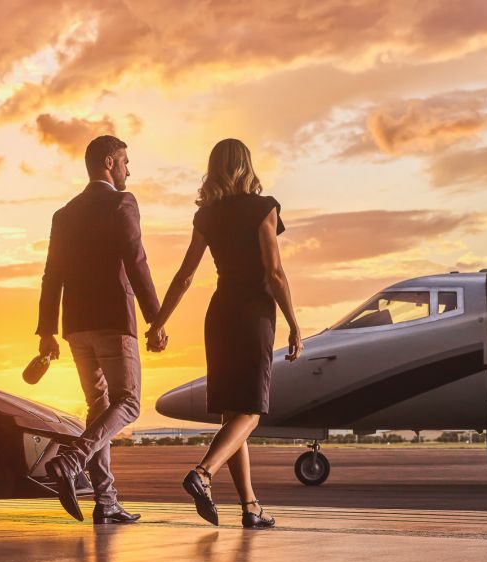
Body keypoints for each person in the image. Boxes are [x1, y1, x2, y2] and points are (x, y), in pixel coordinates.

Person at [146, 138, 302, 529]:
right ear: (246, 166)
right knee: (251, 412)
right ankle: (202, 473)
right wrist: (295, 323)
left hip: (220, 315)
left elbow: (185, 276)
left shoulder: (207, 215)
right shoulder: (263, 208)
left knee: (233, 414)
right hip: (253, 315)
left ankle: (250, 507)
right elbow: (274, 273)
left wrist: (159, 322)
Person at [36, 135, 165, 524]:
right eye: (126, 161)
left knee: (99, 408)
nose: (129, 169)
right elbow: (136, 260)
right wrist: (155, 319)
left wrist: (47, 331)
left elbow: (51, 275)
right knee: (127, 403)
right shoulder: (121, 202)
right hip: (112, 321)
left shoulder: (65, 213)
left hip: (75, 325)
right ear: (109, 162)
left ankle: (106, 500)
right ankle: (74, 459)